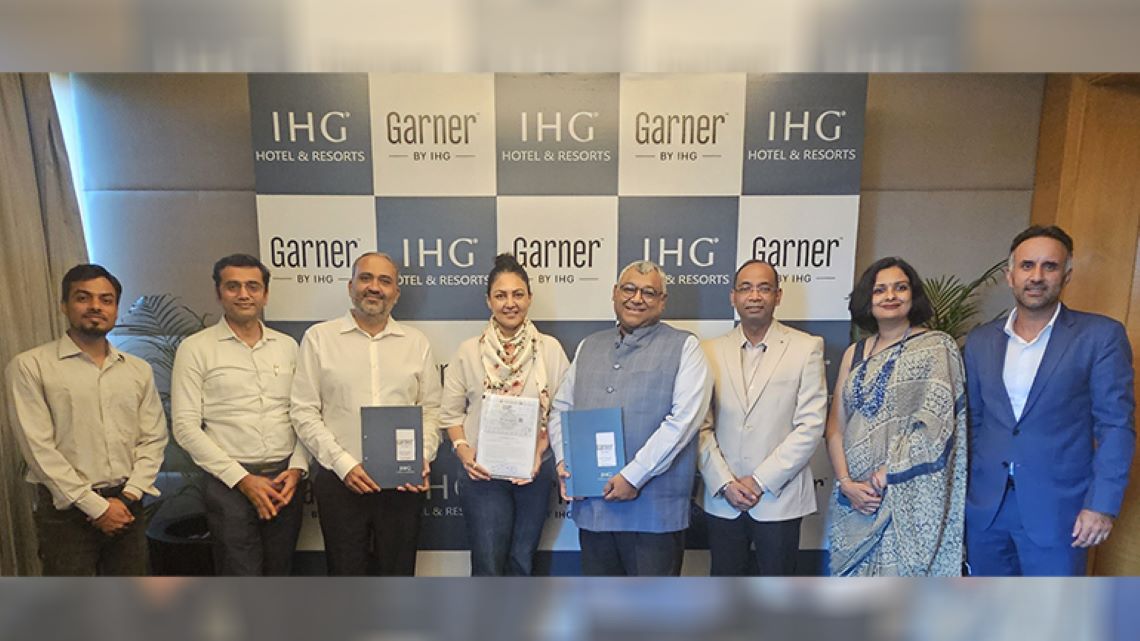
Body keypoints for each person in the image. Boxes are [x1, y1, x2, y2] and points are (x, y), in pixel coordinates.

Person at [964, 225, 1135, 575]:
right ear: (1010, 275)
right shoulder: (980, 341)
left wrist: (1101, 505)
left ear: (1066, 275)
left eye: (1050, 266)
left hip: (1060, 513)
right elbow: (974, 423)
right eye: (1027, 266)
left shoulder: (1100, 336)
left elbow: (1115, 426)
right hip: (986, 510)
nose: (1037, 276)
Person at [548, 260, 712, 576]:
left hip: (654, 514)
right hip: (594, 510)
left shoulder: (685, 347)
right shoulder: (588, 346)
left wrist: (633, 477)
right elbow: (561, 408)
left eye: (649, 292)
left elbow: (683, 422)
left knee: (651, 606)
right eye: (629, 289)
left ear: (662, 301)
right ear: (615, 293)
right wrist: (565, 462)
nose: (637, 298)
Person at [6, 264, 168, 575]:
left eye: (106, 300)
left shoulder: (137, 370)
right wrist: (97, 507)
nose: (96, 306)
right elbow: (38, 448)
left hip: (127, 505)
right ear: (64, 305)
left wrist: (129, 496)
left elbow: (154, 438)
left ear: (116, 309)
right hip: (66, 512)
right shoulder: (30, 366)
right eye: (83, 298)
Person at [290, 251, 441, 575]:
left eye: (385, 281)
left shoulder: (416, 343)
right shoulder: (319, 339)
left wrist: (421, 457)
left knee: (398, 576)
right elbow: (304, 411)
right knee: (346, 578)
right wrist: (344, 465)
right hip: (340, 481)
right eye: (366, 278)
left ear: (396, 293)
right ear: (350, 286)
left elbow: (431, 411)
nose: (374, 287)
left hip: (402, 485)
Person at [825, 257, 967, 576]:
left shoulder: (935, 347)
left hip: (907, 492)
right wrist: (847, 483)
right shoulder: (854, 353)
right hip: (856, 499)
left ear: (913, 295)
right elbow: (835, 426)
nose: (890, 296)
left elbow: (939, 424)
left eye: (900, 288)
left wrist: (889, 473)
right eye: (880, 290)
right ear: (867, 298)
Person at [171, 254, 308, 575]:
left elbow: (304, 414)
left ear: (265, 294)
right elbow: (185, 427)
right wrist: (243, 480)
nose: (244, 294)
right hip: (228, 484)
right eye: (233, 286)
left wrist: (298, 468)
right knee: (240, 576)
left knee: (280, 573)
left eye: (252, 286)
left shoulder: (288, 346)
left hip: (284, 482)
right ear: (218, 293)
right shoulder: (196, 348)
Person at [441, 253, 570, 575]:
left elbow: (562, 410)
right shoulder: (469, 351)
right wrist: (465, 453)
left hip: (534, 472)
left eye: (517, 294)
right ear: (488, 300)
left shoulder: (550, 349)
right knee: (488, 564)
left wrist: (539, 452)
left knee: (522, 561)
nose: (510, 303)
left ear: (529, 298)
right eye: (501, 295)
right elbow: (451, 415)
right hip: (482, 475)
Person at [698, 259, 828, 576]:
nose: (754, 295)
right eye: (746, 288)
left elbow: (810, 425)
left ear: (778, 296)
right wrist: (725, 482)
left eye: (764, 288)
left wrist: (760, 480)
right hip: (724, 497)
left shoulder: (806, 347)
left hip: (779, 497)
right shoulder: (708, 350)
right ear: (733, 296)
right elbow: (700, 426)